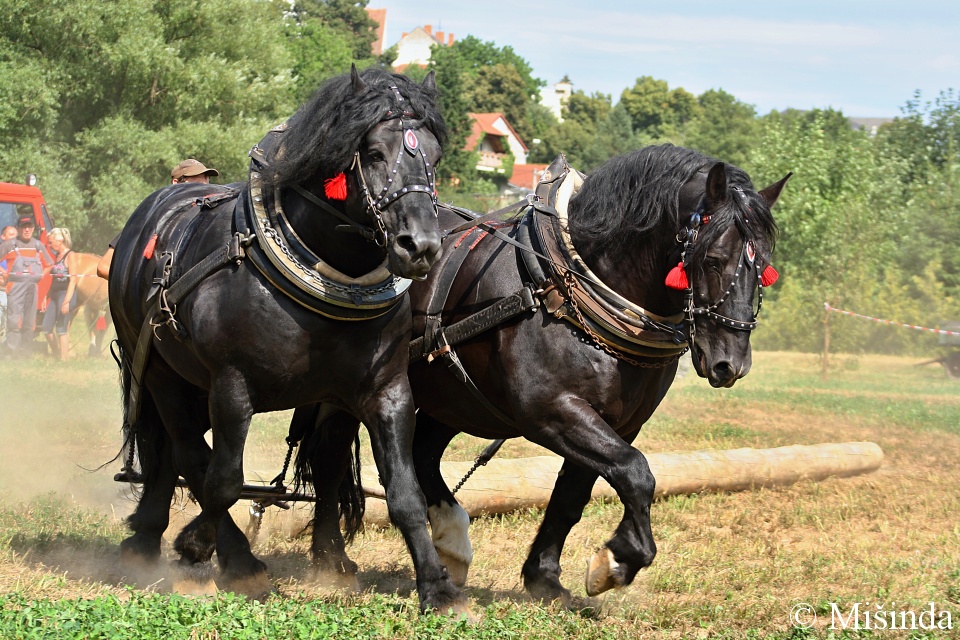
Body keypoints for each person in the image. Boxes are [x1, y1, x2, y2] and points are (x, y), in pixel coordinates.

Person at [96, 159, 219, 280]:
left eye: (206, 188)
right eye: (196, 186)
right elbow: (104, 267)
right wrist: (144, 289)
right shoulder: (150, 220)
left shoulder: (208, 226)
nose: (204, 194)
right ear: (176, 183)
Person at [0, 216, 53, 355]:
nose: (27, 229)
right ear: (18, 229)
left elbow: (50, 264)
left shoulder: (38, 245)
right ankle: (12, 351)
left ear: (33, 229)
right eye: (24, 227)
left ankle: (25, 352)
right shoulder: (9, 244)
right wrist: (4, 272)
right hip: (15, 286)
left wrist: (41, 275)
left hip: (32, 287)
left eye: (29, 226)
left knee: (29, 320)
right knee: (13, 319)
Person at [41, 228, 79, 360]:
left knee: (62, 328)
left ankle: (64, 359)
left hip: (65, 294)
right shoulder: (56, 256)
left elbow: (73, 280)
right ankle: (57, 353)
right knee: (46, 327)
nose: (50, 245)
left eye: (51, 242)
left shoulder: (71, 255)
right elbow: (54, 280)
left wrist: (67, 301)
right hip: (55, 294)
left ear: (60, 240)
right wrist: (46, 297)